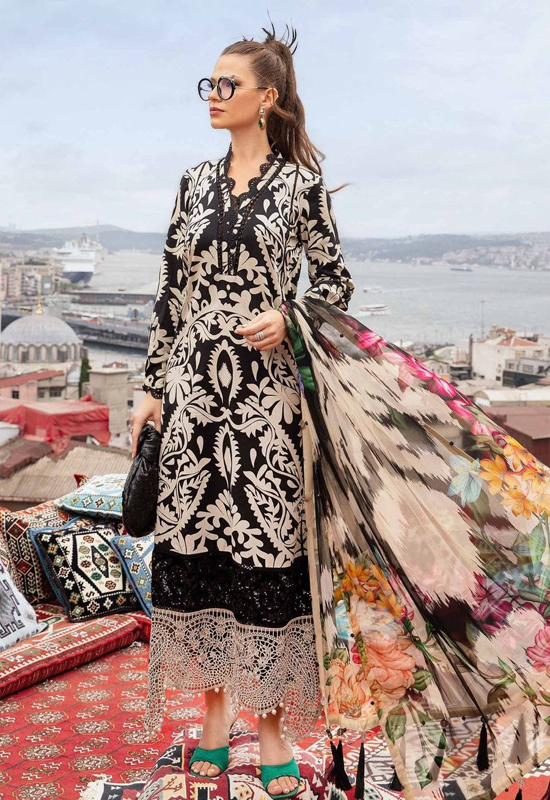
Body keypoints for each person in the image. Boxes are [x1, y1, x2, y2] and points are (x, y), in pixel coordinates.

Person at [131, 23, 355, 799]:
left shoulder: (300, 188)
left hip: (267, 402)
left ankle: (272, 731)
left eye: (228, 85)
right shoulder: (192, 182)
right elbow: (171, 292)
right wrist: (152, 388)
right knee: (199, 555)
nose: (213, 95)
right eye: (209, 84)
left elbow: (334, 286)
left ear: (267, 98)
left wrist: (289, 317)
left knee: (265, 557)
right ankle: (214, 721)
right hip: (195, 393)